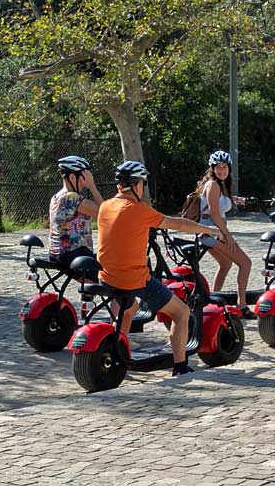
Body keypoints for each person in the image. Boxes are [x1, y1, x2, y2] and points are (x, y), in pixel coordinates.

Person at [97, 160, 222, 377]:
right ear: (137, 186)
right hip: (134, 280)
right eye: (143, 184)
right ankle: (180, 366)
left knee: (129, 310)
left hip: (106, 277)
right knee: (182, 313)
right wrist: (208, 230)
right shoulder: (140, 210)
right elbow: (179, 224)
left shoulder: (105, 206)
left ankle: (120, 358)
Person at [195, 150, 254, 318]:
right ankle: (241, 304)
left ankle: (214, 300)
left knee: (226, 265)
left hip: (210, 233)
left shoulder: (218, 185)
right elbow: (214, 213)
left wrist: (234, 199)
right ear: (212, 169)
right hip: (213, 234)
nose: (222, 170)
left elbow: (218, 201)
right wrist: (228, 236)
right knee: (246, 263)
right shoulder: (213, 185)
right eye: (218, 167)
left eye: (225, 167)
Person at [49, 156, 103, 276]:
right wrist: (92, 187)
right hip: (72, 255)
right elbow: (104, 214)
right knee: (113, 271)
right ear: (72, 177)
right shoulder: (71, 198)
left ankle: (87, 295)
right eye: (84, 177)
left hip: (59, 254)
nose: (86, 182)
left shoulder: (56, 197)